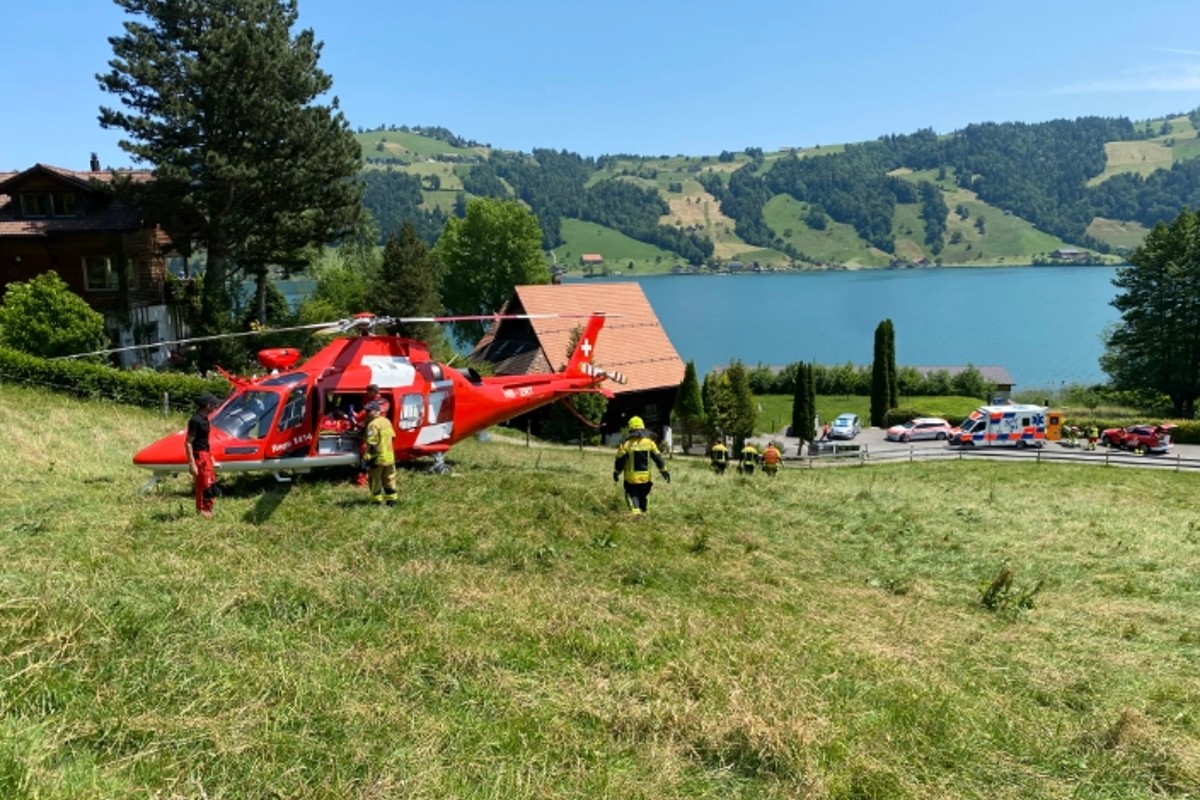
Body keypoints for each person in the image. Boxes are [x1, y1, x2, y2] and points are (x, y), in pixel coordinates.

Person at [613, 416, 670, 516]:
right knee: (643, 499)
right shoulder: (650, 444)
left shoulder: (626, 445)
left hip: (631, 480)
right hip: (646, 479)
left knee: (632, 498)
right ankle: (643, 514)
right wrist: (664, 471)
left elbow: (620, 462)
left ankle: (636, 518)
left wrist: (616, 472)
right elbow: (658, 459)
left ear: (630, 429)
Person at [186, 392, 221, 519]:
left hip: (206, 454)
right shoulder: (195, 420)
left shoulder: (205, 419)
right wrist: (192, 464)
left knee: (211, 482)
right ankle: (202, 511)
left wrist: (210, 455)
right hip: (199, 455)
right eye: (213, 404)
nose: (216, 405)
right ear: (207, 405)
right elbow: (188, 443)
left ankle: (208, 508)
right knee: (203, 483)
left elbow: (204, 440)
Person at [363, 401, 398, 506]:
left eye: (369, 410)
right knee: (389, 479)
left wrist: (366, 457)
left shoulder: (372, 424)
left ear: (377, 411)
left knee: (375, 480)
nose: (367, 412)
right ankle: (391, 501)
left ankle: (376, 502)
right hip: (389, 457)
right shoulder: (387, 421)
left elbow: (371, 442)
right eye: (367, 410)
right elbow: (392, 437)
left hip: (377, 458)